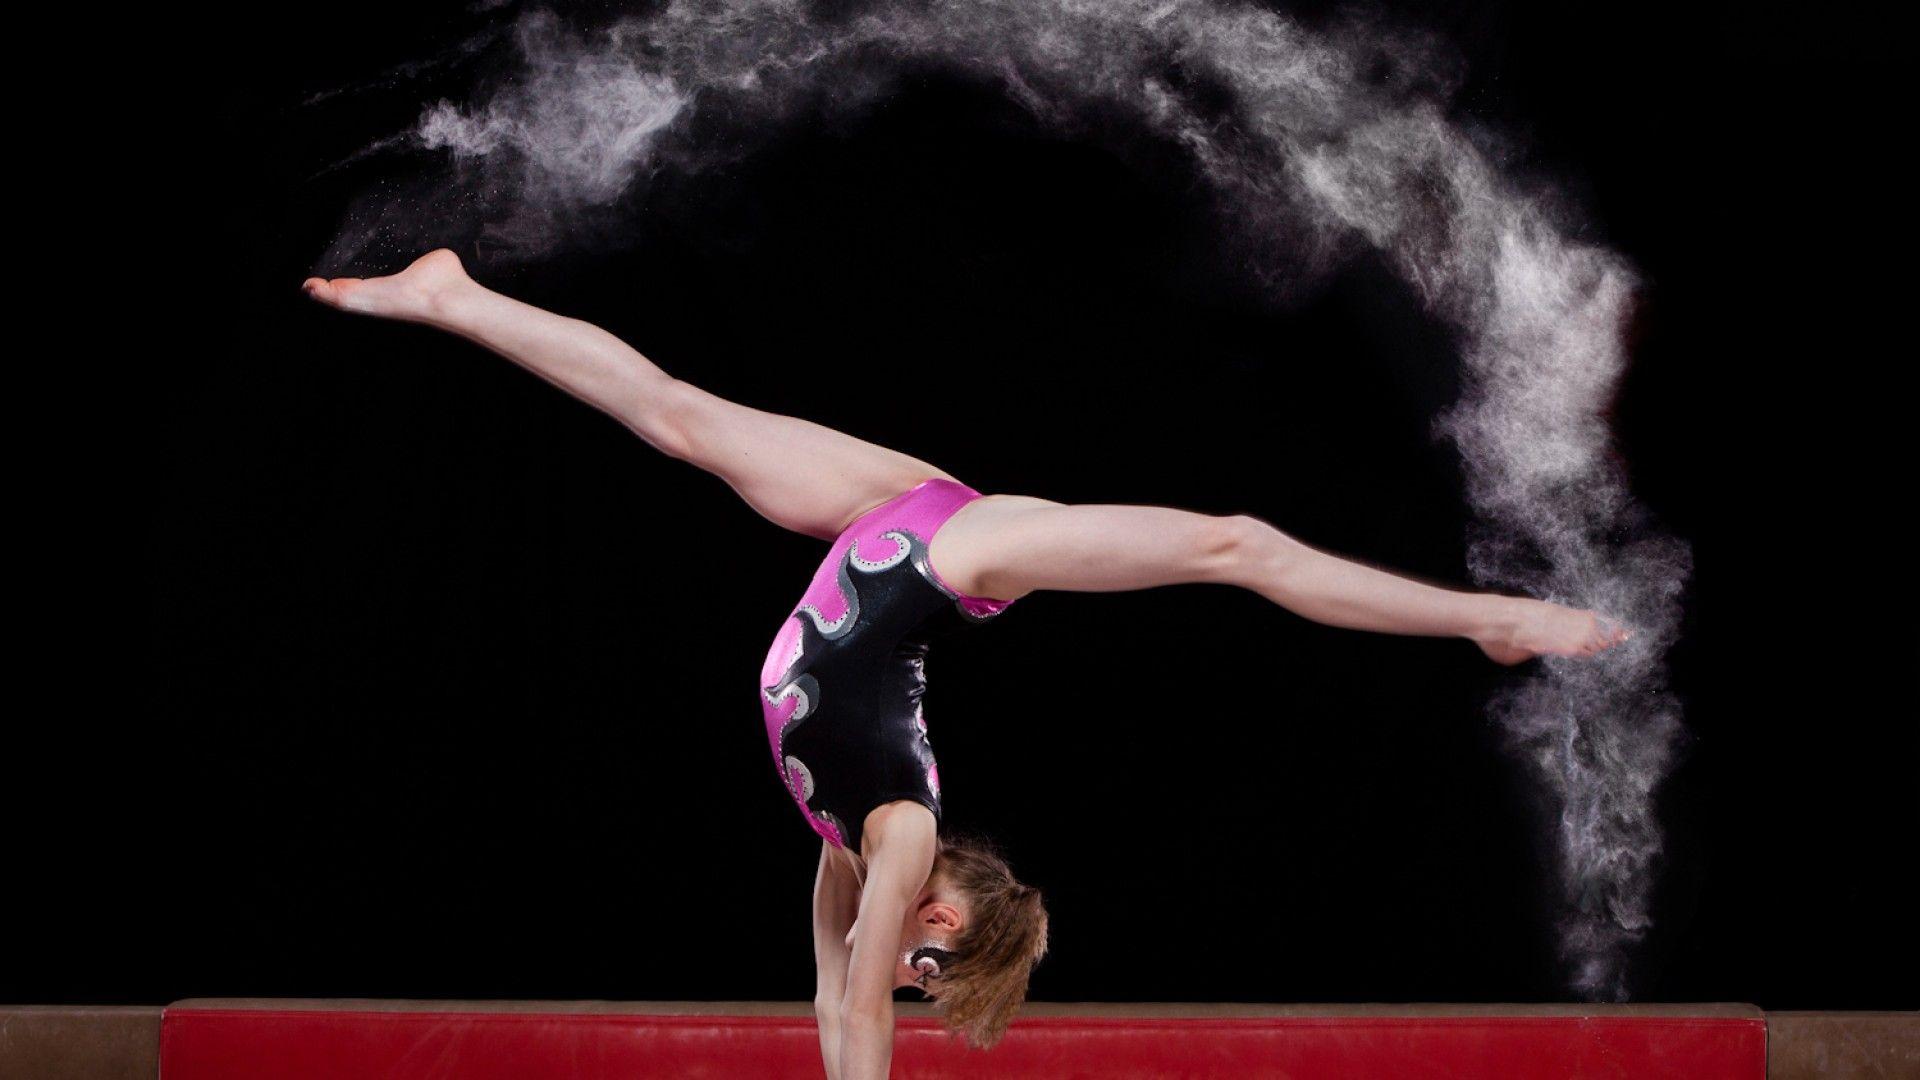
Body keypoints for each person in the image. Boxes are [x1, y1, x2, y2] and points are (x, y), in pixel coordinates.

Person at [302, 250, 1632, 1079]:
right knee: (1237, 545)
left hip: (886, 528)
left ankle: (451, 296)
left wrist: (856, 1011)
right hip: (959, 552)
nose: (901, 977)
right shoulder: (895, 836)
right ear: (935, 922)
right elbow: (869, 1023)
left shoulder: (842, 849)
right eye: (928, 971)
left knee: (676, 420)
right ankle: (1483, 618)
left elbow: (834, 1008)